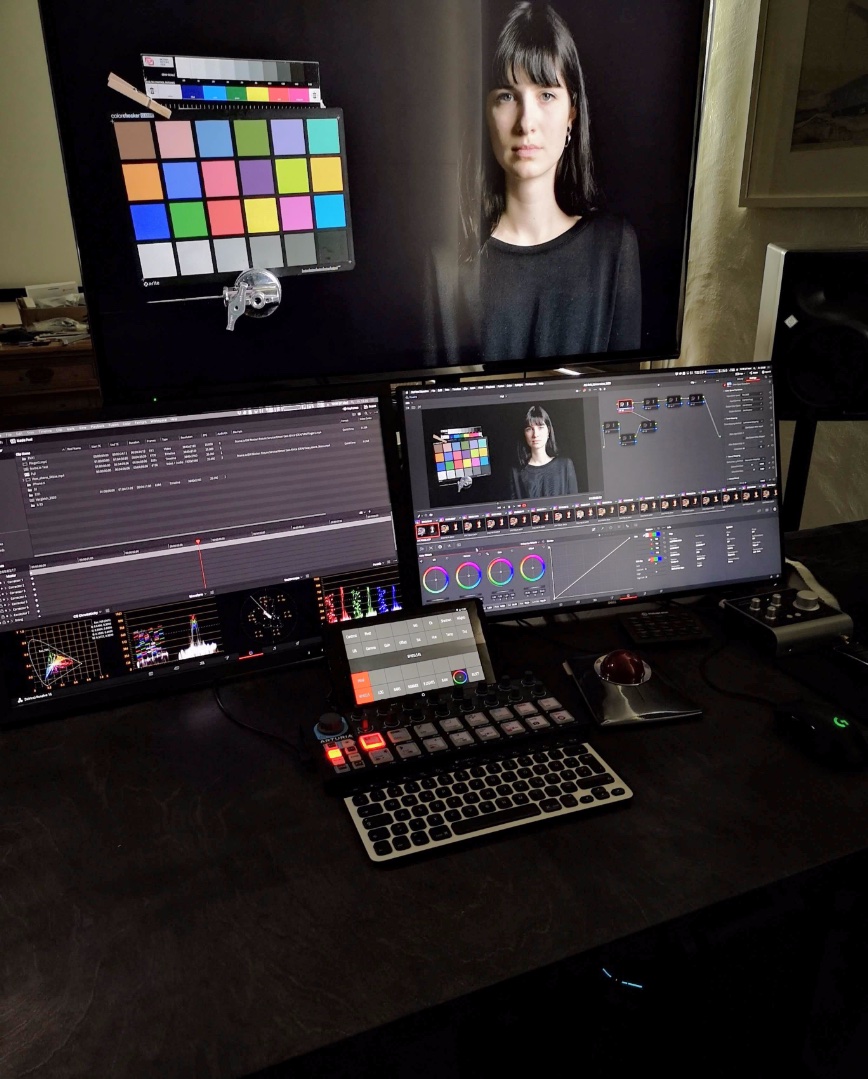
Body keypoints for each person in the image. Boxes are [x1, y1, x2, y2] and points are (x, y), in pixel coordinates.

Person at [437, 1, 641, 365]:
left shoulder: (614, 248)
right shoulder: (444, 261)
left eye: (546, 94)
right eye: (506, 96)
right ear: (485, 113)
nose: (526, 122)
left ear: (572, 112)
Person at [508, 404, 578, 498]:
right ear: (524, 433)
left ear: (548, 430)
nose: (535, 434)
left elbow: (574, 503)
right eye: (529, 429)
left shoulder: (565, 465)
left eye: (540, 427)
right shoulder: (516, 472)